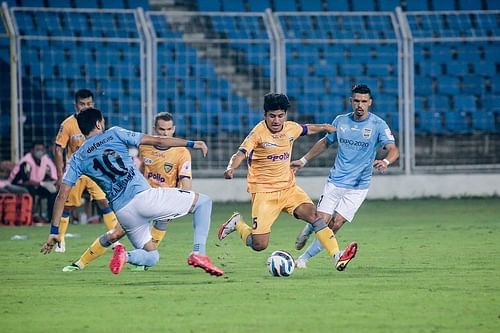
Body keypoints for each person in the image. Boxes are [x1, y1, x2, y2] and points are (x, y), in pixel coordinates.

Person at [41, 107, 223, 277]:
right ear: (98, 123)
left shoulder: (77, 158)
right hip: (143, 197)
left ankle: (125, 256)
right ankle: (199, 253)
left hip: (123, 212)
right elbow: (159, 141)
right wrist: (192, 143)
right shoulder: (114, 133)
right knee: (204, 202)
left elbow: (62, 194)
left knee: (152, 257)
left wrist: (54, 230)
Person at [217, 92, 357, 272]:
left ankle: (337, 256)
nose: (276, 120)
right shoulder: (257, 134)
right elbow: (240, 153)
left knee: (315, 216)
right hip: (264, 194)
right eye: (272, 116)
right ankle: (237, 223)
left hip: (289, 189)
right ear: (265, 115)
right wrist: (231, 168)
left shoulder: (290, 128)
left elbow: (307, 129)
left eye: (280, 116)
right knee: (259, 244)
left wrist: (324, 127)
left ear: (285, 115)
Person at [63, 111, 193, 273]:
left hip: (162, 198)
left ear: (173, 129)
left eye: (168, 129)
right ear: (155, 129)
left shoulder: (181, 151)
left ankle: (142, 263)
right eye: (161, 129)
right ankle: (79, 264)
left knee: (161, 223)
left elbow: (185, 179)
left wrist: (181, 199)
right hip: (139, 197)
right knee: (116, 234)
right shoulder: (145, 147)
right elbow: (134, 168)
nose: (165, 133)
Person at [291, 84, 400, 269]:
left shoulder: (378, 125)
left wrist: (386, 162)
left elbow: (393, 149)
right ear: (351, 101)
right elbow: (325, 142)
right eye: (356, 101)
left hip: (358, 186)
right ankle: (309, 228)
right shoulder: (340, 122)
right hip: (336, 182)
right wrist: (303, 160)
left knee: (335, 224)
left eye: (364, 101)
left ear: (370, 103)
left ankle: (303, 259)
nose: (360, 105)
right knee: (322, 221)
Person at [53, 89, 119, 252]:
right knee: (68, 206)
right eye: (82, 104)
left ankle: (115, 238)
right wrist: (60, 174)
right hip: (75, 169)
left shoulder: (97, 120)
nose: (85, 107)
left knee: (104, 201)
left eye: (89, 104)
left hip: (95, 169)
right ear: (76, 105)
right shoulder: (68, 124)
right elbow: (58, 148)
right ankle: (60, 239)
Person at [8, 143, 58, 221]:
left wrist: (50, 182)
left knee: (52, 192)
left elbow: (52, 174)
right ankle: (33, 215)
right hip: (18, 184)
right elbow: (25, 181)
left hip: (37, 185)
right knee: (31, 189)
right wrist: (41, 184)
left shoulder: (45, 160)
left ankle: (50, 218)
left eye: (42, 150)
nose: (40, 152)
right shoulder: (26, 161)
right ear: (32, 151)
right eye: (38, 149)